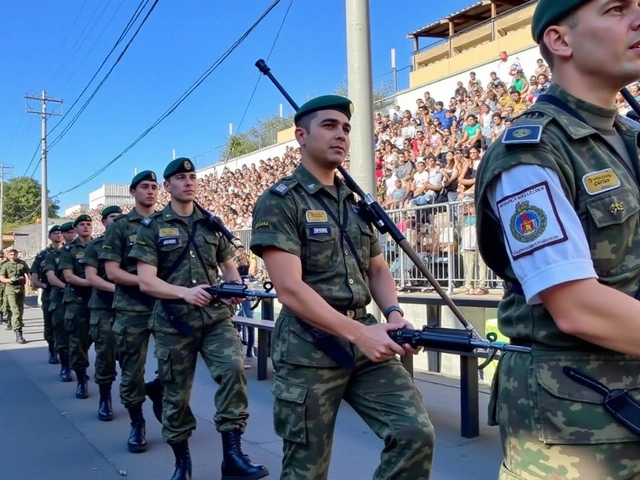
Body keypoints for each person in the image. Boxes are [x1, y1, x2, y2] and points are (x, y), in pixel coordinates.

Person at [474, 1, 640, 478]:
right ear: (560, 41)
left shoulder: (627, 136)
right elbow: (576, 306)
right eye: (615, 9)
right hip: (578, 429)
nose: (637, 18)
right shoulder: (530, 151)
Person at [249, 95, 435, 480]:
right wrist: (360, 334)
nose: (341, 135)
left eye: (346, 128)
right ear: (301, 136)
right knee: (307, 468)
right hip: (308, 347)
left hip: (364, 334)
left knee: (414, 433)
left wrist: (395, 316)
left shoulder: (354, 203)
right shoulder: (280, 201)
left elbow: (377, 268)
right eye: (330, 126)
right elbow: (289, 288)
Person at [129, 158, 268, 480]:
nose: (188, 182)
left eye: (192, 177)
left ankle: (232, 456)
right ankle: (182, 463)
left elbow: (228, 264)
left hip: (215, 318)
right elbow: (147, 280)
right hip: (173, 322)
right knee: (176, 394)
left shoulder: (211, 223)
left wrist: (234, 287)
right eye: (180, 178)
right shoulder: (153, 228)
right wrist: (184, 293)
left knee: (233, 369)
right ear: (168, 186)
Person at [100, 171, 164, 453]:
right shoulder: (121, 227)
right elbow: (112, 272)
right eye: (144, 187)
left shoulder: (166, 222)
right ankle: (137, 424)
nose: (150, 191)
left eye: (154, 187)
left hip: (165, 307)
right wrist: (147, 282)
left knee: (176, 365)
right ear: (132, 192)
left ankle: (159, 389)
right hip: (131, 309)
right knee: (131, 371)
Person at [83, 206, 122, 422]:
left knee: (132, 358)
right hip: (103, 307)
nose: (117, 221)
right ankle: (105, 399)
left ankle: (135, 399)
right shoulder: (96, 246)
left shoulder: (131, 243)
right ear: (104, 221)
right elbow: (92, 277)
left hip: (129, 308)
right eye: (113, 218)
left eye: (120, 217)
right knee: (106, 353)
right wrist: (118, 289)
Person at [59, 214, 94, 399]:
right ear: (76, 228)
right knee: (78, 343)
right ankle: (81, 380)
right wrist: (92, 282)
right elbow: (68, 276)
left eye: (89, 224)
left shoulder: (100, 245)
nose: (86, 227)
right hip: (78, 301)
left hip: (99, 301)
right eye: (82, 224)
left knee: (106, 341)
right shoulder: (69, 250)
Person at [44, 222, 78, 382]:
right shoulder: (52, 255)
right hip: (60, 298)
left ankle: (78, 364)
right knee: (62, 332)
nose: (70, 234)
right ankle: (65, 366)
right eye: (67, 232)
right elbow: (51, 278)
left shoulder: (87, 250)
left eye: (73, 231)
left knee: (81, 335)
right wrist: (68, 286)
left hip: (82, 298)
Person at [30, 224, 64, 363]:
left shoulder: (70, 251)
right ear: (49, 236)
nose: (58, 234)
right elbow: (34, 279)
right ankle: (52, 349)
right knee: (50, 324)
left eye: (60, 232)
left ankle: (66, 353)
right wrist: (46, 286)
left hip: (69, 294)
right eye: (54, 233)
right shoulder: (43, 255)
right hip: (50, 295)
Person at [0, 249, 30, 344]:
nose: (13, 256)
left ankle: (16, 325)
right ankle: (18, 333)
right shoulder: (5, 265)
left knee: (20, 310)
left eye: (15, 254)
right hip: (10, 289)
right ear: (8, 255)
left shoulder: (22, 263)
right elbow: (1, 278)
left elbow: (28, 272)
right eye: (11, 254)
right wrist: (10, 280)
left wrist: (31, 281)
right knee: (15, 310)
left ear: (17, 254)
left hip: (20, 289)